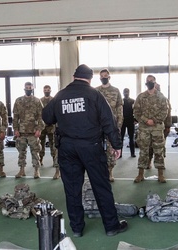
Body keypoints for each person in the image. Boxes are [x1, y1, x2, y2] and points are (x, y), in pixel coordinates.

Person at [42, 64, 128, 238]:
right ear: (90, 79)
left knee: (72, 189)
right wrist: (116, 145)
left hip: (67, 148)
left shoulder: (60, 95)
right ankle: (111, 226)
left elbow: (47, 117)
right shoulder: (94, 95)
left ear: (74, 77)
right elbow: (108, 122)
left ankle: (77, 228)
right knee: (101, 186)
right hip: (91, 147)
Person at [132, 75, 170, 183]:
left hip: (157, 128)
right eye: (147, 81)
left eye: (151, 81)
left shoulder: (161, 97)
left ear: (155, 82)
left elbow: (164, 112)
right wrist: (145, 120)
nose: (149, 82)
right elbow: (136, 112)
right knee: (143, 151)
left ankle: (160, 175)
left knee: (159, 151)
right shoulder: (141, 97)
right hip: (144, 128)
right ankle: (140, 174)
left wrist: (154, 120)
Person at [96, 69, 124, 181]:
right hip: (97, 126)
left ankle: (110, 172)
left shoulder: (116, 91)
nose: (103, 77)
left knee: (111, 150)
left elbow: (119, 109)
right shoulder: (95, 91)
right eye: (102, 76)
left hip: (111, 125)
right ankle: (99, 172)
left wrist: (119, 125)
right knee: (97, 149)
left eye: (105, 76)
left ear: (109, 77)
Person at [14, 82, 45, 178]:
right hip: (22, 131)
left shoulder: (37, 101)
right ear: (24, 89)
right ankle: (21, 170)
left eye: (30, 88)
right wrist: (15, 129)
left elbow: (41, 116)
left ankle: (36, 170)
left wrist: (39, 129)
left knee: (35, 152)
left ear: (32, 89)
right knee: (21, 152)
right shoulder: (18, 101)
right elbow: (15, 117)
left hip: (33, 131)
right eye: (26, 88)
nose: (28, 89)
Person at [40, 85, 61, 179]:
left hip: (52, 126)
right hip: (42, 126)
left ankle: (54, 161)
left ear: (50, 90)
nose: (47, 91)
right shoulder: (39, 101)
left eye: (48, 90)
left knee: (53, 144)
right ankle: (40, 159)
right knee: (41, 144)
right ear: (43, 90)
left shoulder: (54, 100)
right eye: (45, 90)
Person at [121, 88, 136, 158]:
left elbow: (135, 111)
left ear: (129, 92)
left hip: (130, 120)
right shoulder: (121, 101)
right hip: (122, 121)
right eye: (125, 92)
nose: (126, 93)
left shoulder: (133, 101)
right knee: (121, 138)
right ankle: (120, 153)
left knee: (131, 137)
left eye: (127, 92)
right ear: (123, 93)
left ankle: (132, 153)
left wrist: (135, 120)